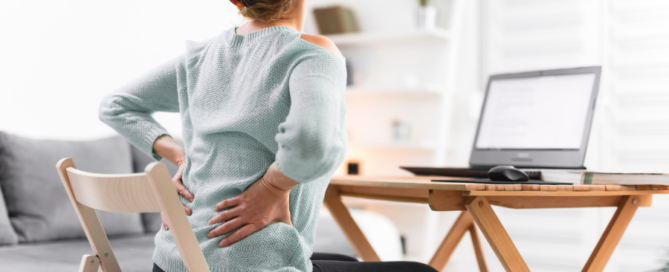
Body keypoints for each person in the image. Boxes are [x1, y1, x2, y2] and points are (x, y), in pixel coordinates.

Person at [99, 0, 438, 271]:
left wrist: (181, 156)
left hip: (172, 262)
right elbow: (313, 144)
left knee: (345, 262)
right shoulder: (311, 52)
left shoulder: (201, 57)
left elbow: (116, 105)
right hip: (252, 263)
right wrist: (271, 187)